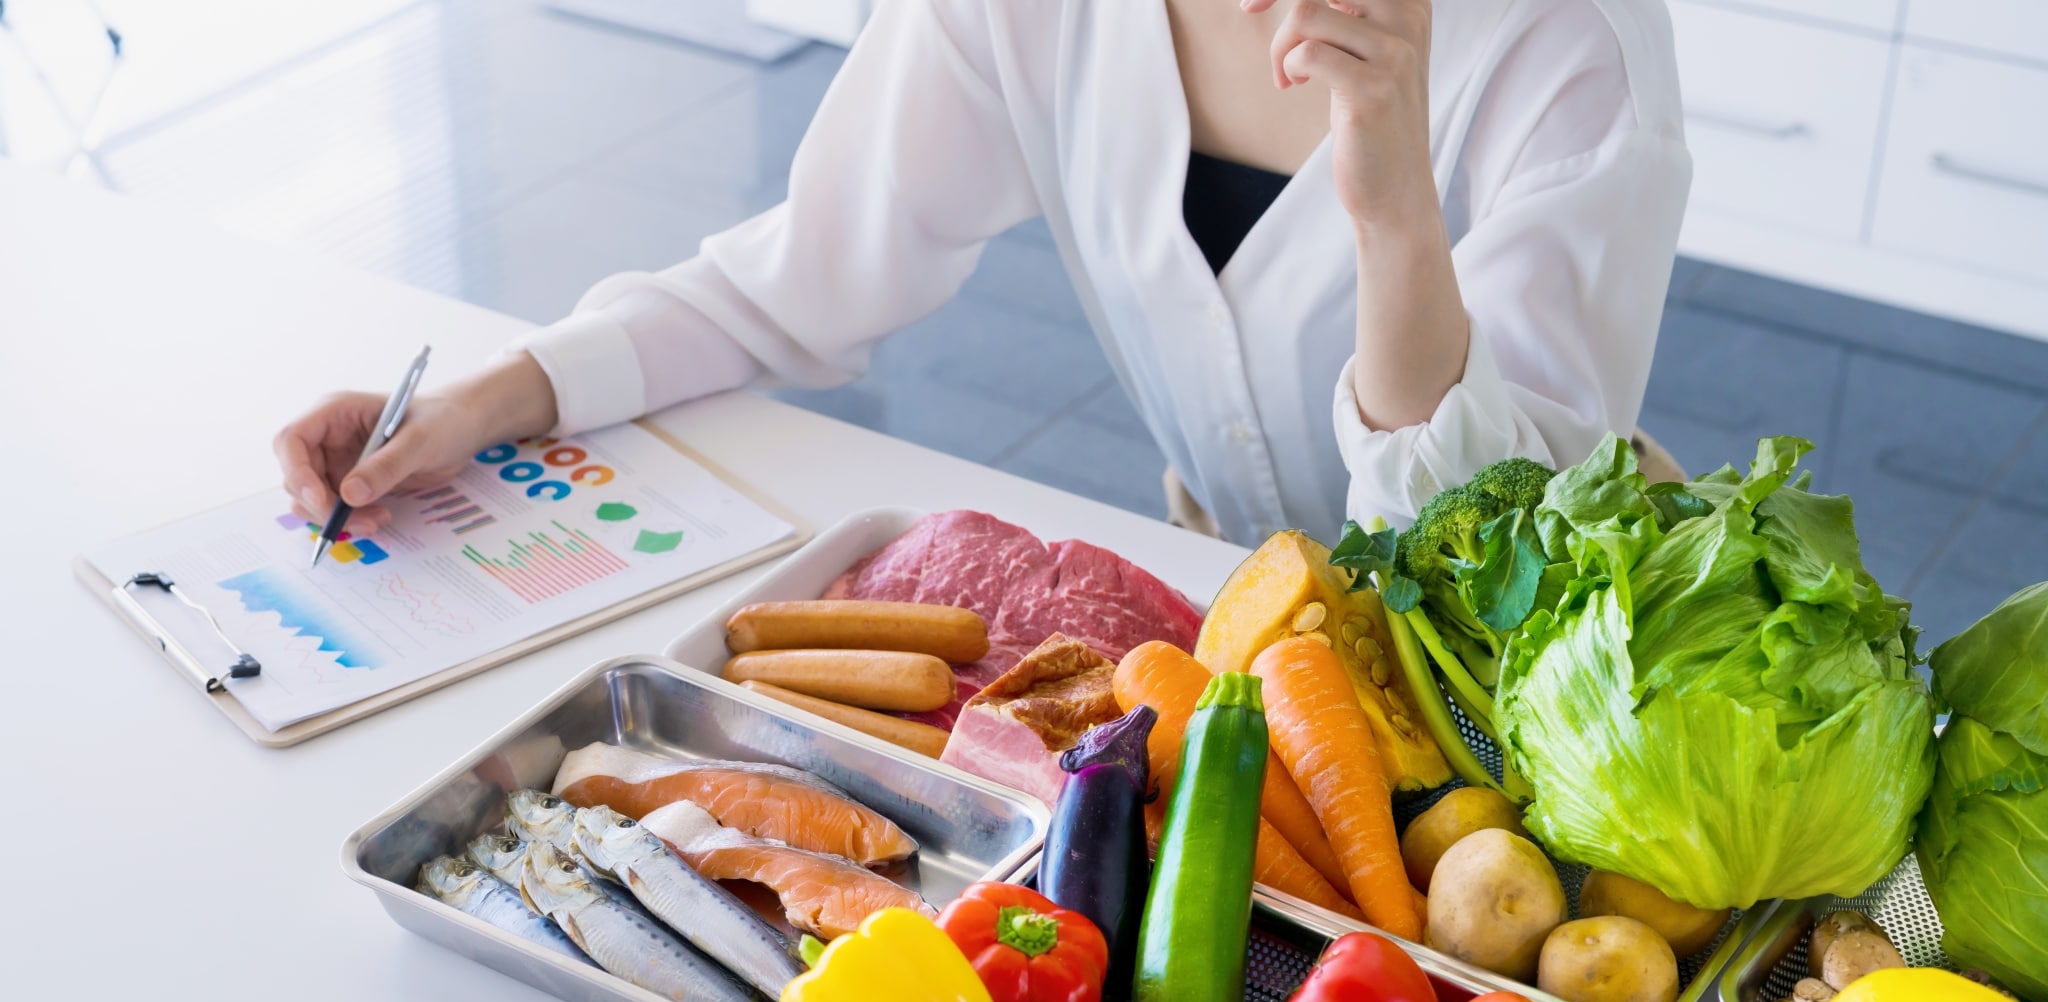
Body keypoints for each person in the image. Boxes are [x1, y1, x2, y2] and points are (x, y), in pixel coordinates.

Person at [275, 0, 1689, 546]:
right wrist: (491, 396)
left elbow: (1496, 552)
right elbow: (799, 275)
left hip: (1527, 699)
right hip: (1236, 619)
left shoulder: (1566, 46)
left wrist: (1395, 224)